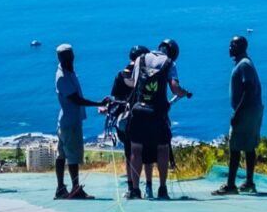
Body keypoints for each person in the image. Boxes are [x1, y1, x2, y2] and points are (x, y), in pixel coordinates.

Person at [126, 39, 192, 200]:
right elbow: (175, 88)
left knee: (136, 149)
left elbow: (134, 84)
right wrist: (184, 93)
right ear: (173, 53)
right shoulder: (169, 63)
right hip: (157, 111)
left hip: (139, 110)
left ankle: (135, 190)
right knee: (162, 148)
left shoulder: (141, 59)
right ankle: (162, 189)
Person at [54, 43, 109, 200]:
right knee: (72, 156)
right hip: (71, 122)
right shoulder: (63, 77)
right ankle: (75, 189)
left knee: (62, 154)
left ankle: (61, 188)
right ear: (65, 58)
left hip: (65, 120)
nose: (71, 59)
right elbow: (76, 100)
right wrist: (99, 103)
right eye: (69, 57)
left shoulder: (67, 71)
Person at [212, 35, 263, 196]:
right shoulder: (244, 63)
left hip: (246, 110)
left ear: (242, 47)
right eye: (230, 45)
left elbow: (248, 88)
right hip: (253, 109)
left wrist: (237, 113)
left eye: (233, 45)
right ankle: (249, 183)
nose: (230, 48)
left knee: (235, 147)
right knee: (248, 146)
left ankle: (231, 185)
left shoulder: (244, 65)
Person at [109, 44, 154, 197]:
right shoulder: (148, 75)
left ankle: (132, 188)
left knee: (130, 154)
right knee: (147, 154)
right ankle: (149, 186)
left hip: (126, 121)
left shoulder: (121, 75)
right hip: (147, 117)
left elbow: (115, 98)